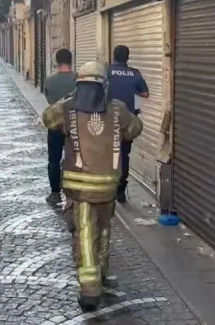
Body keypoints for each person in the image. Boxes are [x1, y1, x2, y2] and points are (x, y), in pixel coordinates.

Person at [41, 61, 143, 312]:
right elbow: (135, 129)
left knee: (85, 234)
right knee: (105, 228)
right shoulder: (117, 108)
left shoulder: (68, 108)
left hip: (80, 188)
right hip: (108, 185)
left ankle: (90, 290)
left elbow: (47, 119)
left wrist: (68, 100)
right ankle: (103, 271)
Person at [107, 45, 149, 203]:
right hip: (126, 120)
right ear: (127, 57)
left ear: (114, 56)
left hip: (108, 119)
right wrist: (132, 89)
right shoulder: (134, 73)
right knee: (124, 155)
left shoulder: (107, 71)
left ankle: (108, 187)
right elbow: (145, 93)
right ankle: (121, 191)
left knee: (108, 153)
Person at [43, 48, 77, 205]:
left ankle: (55, 193)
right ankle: (74, 192)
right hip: (75, 124)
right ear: (71, 60)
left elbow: (49, 100)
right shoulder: (79, 79)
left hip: (55, 125)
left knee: (54, 160)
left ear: (57, 61)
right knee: (75, 158)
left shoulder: (49, 80)